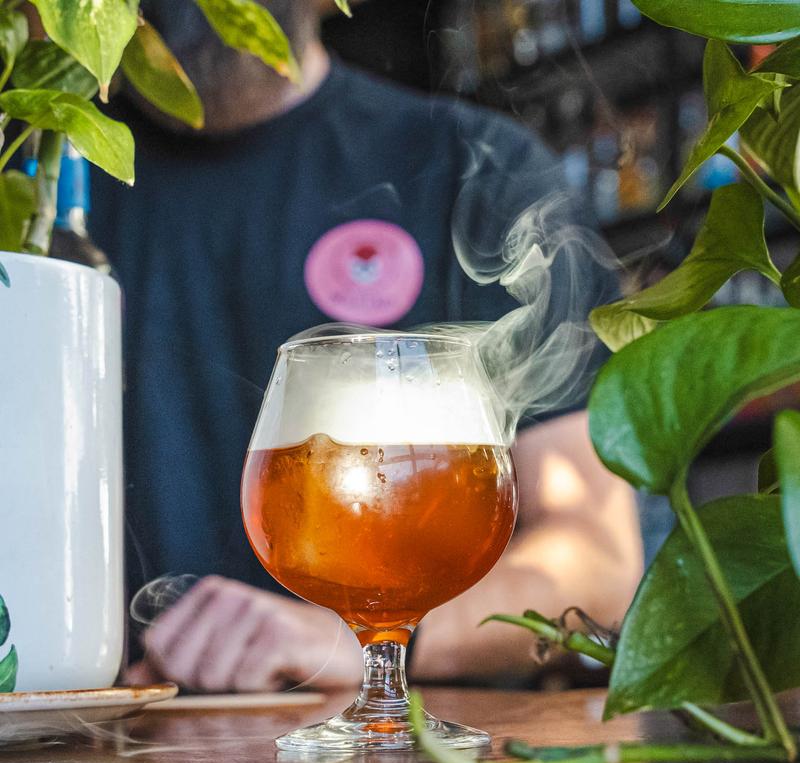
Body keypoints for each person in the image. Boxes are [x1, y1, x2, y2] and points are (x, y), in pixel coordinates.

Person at [90, 0, 643, 691]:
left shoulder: (472, 168)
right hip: (89, 731)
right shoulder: (34, 181)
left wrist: (368, 645)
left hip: (421, 741)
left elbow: (599, 564)